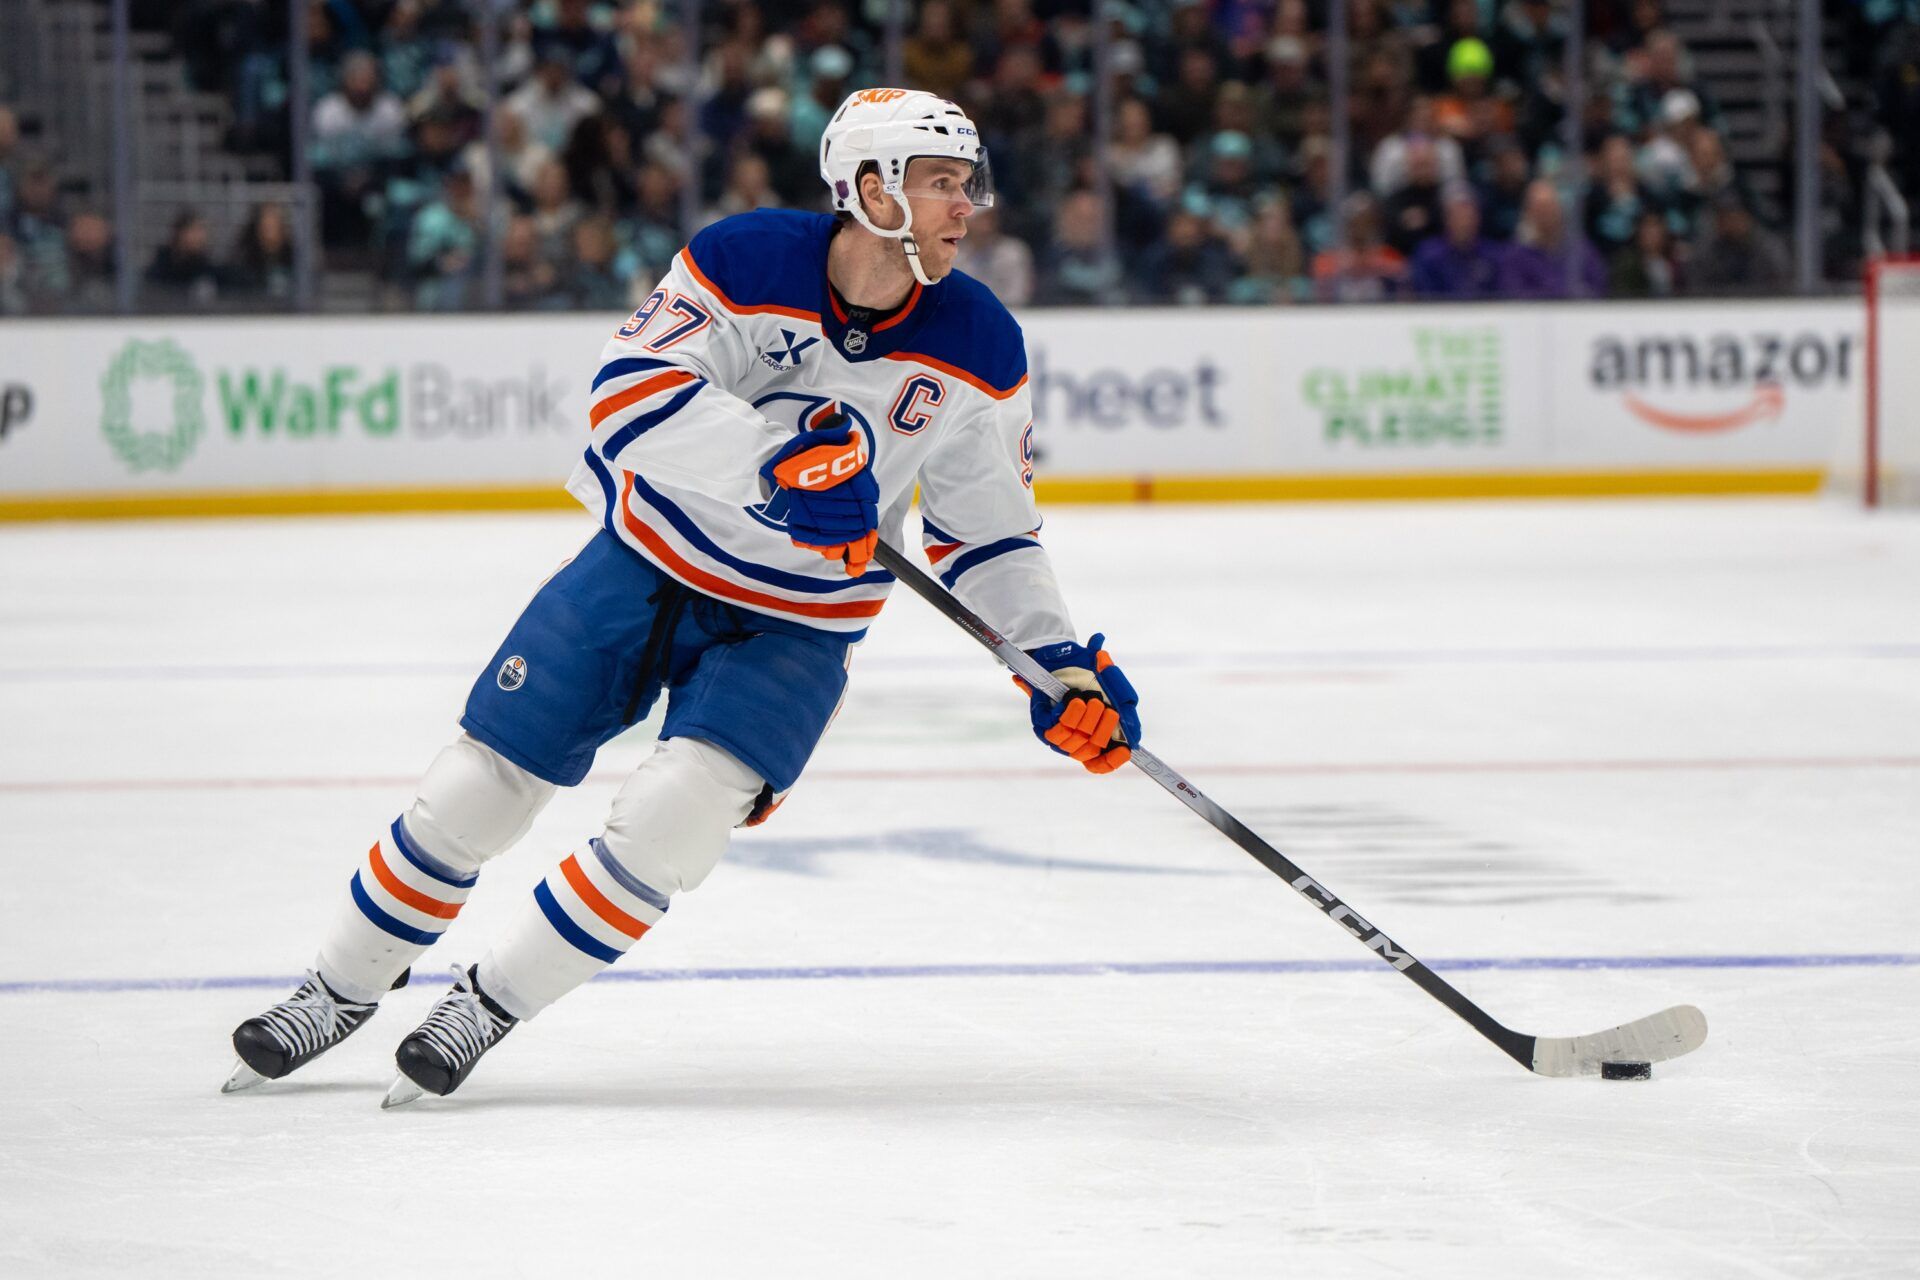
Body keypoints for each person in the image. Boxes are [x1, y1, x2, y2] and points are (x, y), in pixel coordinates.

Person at [224, 88, 1143, 1106]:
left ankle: (482, 1005)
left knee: (674, 819)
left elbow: (988, 530)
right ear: (870, 188)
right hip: (647, 560)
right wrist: (774, 467)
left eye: (966, 185)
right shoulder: (746, 260)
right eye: (941, 184)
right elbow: (623, 396)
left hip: (799, 620)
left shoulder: (982, 342)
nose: (966, 207)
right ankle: (339, 986)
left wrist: (1050, 658)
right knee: (475, 788)